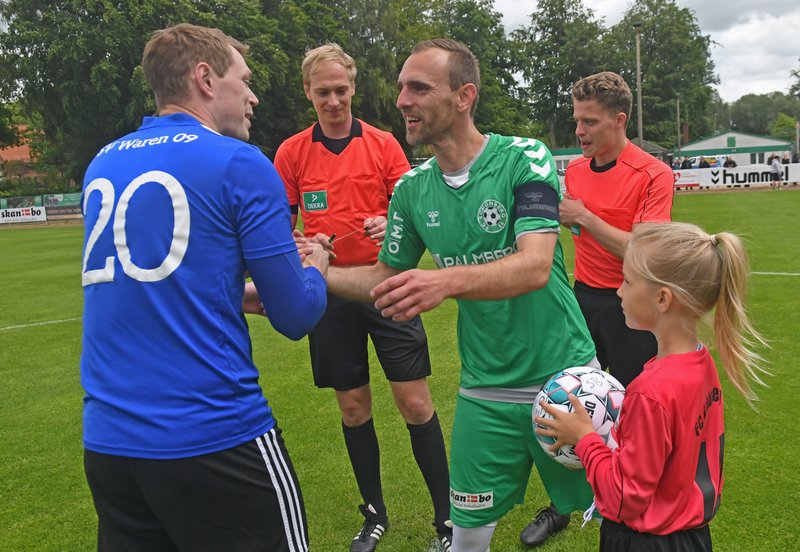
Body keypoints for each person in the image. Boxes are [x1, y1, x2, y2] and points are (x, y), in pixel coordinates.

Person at [301, 38, 598, 552]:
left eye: (419, 88)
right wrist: (317, 273)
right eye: (402, 88)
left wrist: (443, 281)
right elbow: (383, 277)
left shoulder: (525, 157)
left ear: (464, 96)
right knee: (465, 539)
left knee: (616, 516)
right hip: (485, 390)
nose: (402, 100)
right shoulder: (412, 189)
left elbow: (534, 264)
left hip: (566, 381)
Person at [80, 23, 329, 552]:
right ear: (205, 79)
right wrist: (318, 266)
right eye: (245, 80)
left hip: (109, 443)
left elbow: (153, 282)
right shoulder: (239, 161)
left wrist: (232, 294)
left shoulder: (104, 161)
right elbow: (296, 315)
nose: (253, 96)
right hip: (213, 434)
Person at [272, 43, 451, 552]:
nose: (333, 101)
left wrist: (387, 221)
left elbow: (412, 213)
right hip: (329, 294)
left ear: (353, 87)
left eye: (341, 90)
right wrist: (301, 244)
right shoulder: (291, 153)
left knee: (415, 403)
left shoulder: (384, 144)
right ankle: (374, 515)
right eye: (323, 92)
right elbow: (281, 230)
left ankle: (446, 521)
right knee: (353, 407)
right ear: (308, 92)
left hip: (385, 285)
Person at [535, 221, 768, 551]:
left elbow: (622, 498)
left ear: (662, 298)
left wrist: (585, 438)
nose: (619, 291)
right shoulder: (701, 363)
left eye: (628, 281)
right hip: (692, 536)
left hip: (645, 542)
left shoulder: (651, 391)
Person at [523, 71, 673, 545]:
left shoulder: (653, 174)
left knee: (635, 413)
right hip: (580, 302)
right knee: (564, 402)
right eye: (577, 120)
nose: (580, 131)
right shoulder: (574, 172)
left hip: (634, 308)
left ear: (619, 120)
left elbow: (642, 252)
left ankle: (630, 501)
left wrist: (585, 217)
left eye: (589, 121)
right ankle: (562, 505)